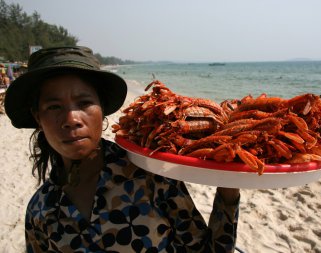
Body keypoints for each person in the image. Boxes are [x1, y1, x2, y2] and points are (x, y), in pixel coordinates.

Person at [4, 46, 240, 252]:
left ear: (102, 109)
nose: (71, 118)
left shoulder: (149, 177)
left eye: (84, 103)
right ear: (38, 117)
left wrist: (228, 190)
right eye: (54, 107)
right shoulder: (41, 210)